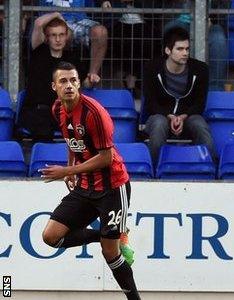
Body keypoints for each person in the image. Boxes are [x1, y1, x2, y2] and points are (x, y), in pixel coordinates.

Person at [40, 61, 140, 300]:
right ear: (54, 86)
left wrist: (65, 172)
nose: (69, 86)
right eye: (63, 81)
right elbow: (72, 140)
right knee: (51, 237)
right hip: (85, 185)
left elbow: (106, 158)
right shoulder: (57, 109)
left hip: (113, 187)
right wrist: (72, 167)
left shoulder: (94, 113)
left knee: (111, 255)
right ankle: (111, 234)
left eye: (73, 80)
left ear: (79, 83)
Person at [143, 26, 214, 164]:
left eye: (187, 49)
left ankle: (210, 168)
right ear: (168, 50)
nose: (185, 53)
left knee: (200, 125)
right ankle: (154, 169)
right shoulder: (152, 68)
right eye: (180, 49)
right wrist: (169, 116)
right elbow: (150, 103)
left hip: (188, 117)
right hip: (160, 116)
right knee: (159, 123)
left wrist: (182, 117)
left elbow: (199, 104)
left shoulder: (200, 70)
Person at [18, 16, 87, 141]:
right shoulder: (38, 53)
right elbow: (39, 23)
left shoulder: (72, 59)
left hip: (64, 111)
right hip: (39, 111)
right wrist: (57, 14)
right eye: (53, 35)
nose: (58, 39)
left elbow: (84, 82)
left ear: (67, 36)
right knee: (43, 129)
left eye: (61, 35)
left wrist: (92, 79)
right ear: (47, 38)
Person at [36, 0, 110, 86]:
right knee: (66, 34)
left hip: (79, 20)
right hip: (53, 20)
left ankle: (91, 77)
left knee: (100, 32)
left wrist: (104, 1)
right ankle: (59, 77)